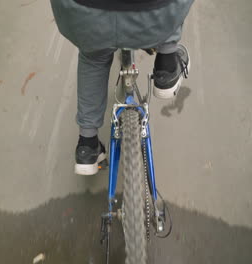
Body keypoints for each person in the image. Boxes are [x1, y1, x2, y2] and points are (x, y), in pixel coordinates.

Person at [50, 0, 194, 175]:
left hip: (86, 17)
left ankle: (87, 146)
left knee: (93, 58)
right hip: (155, 18)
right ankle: (167, 62)